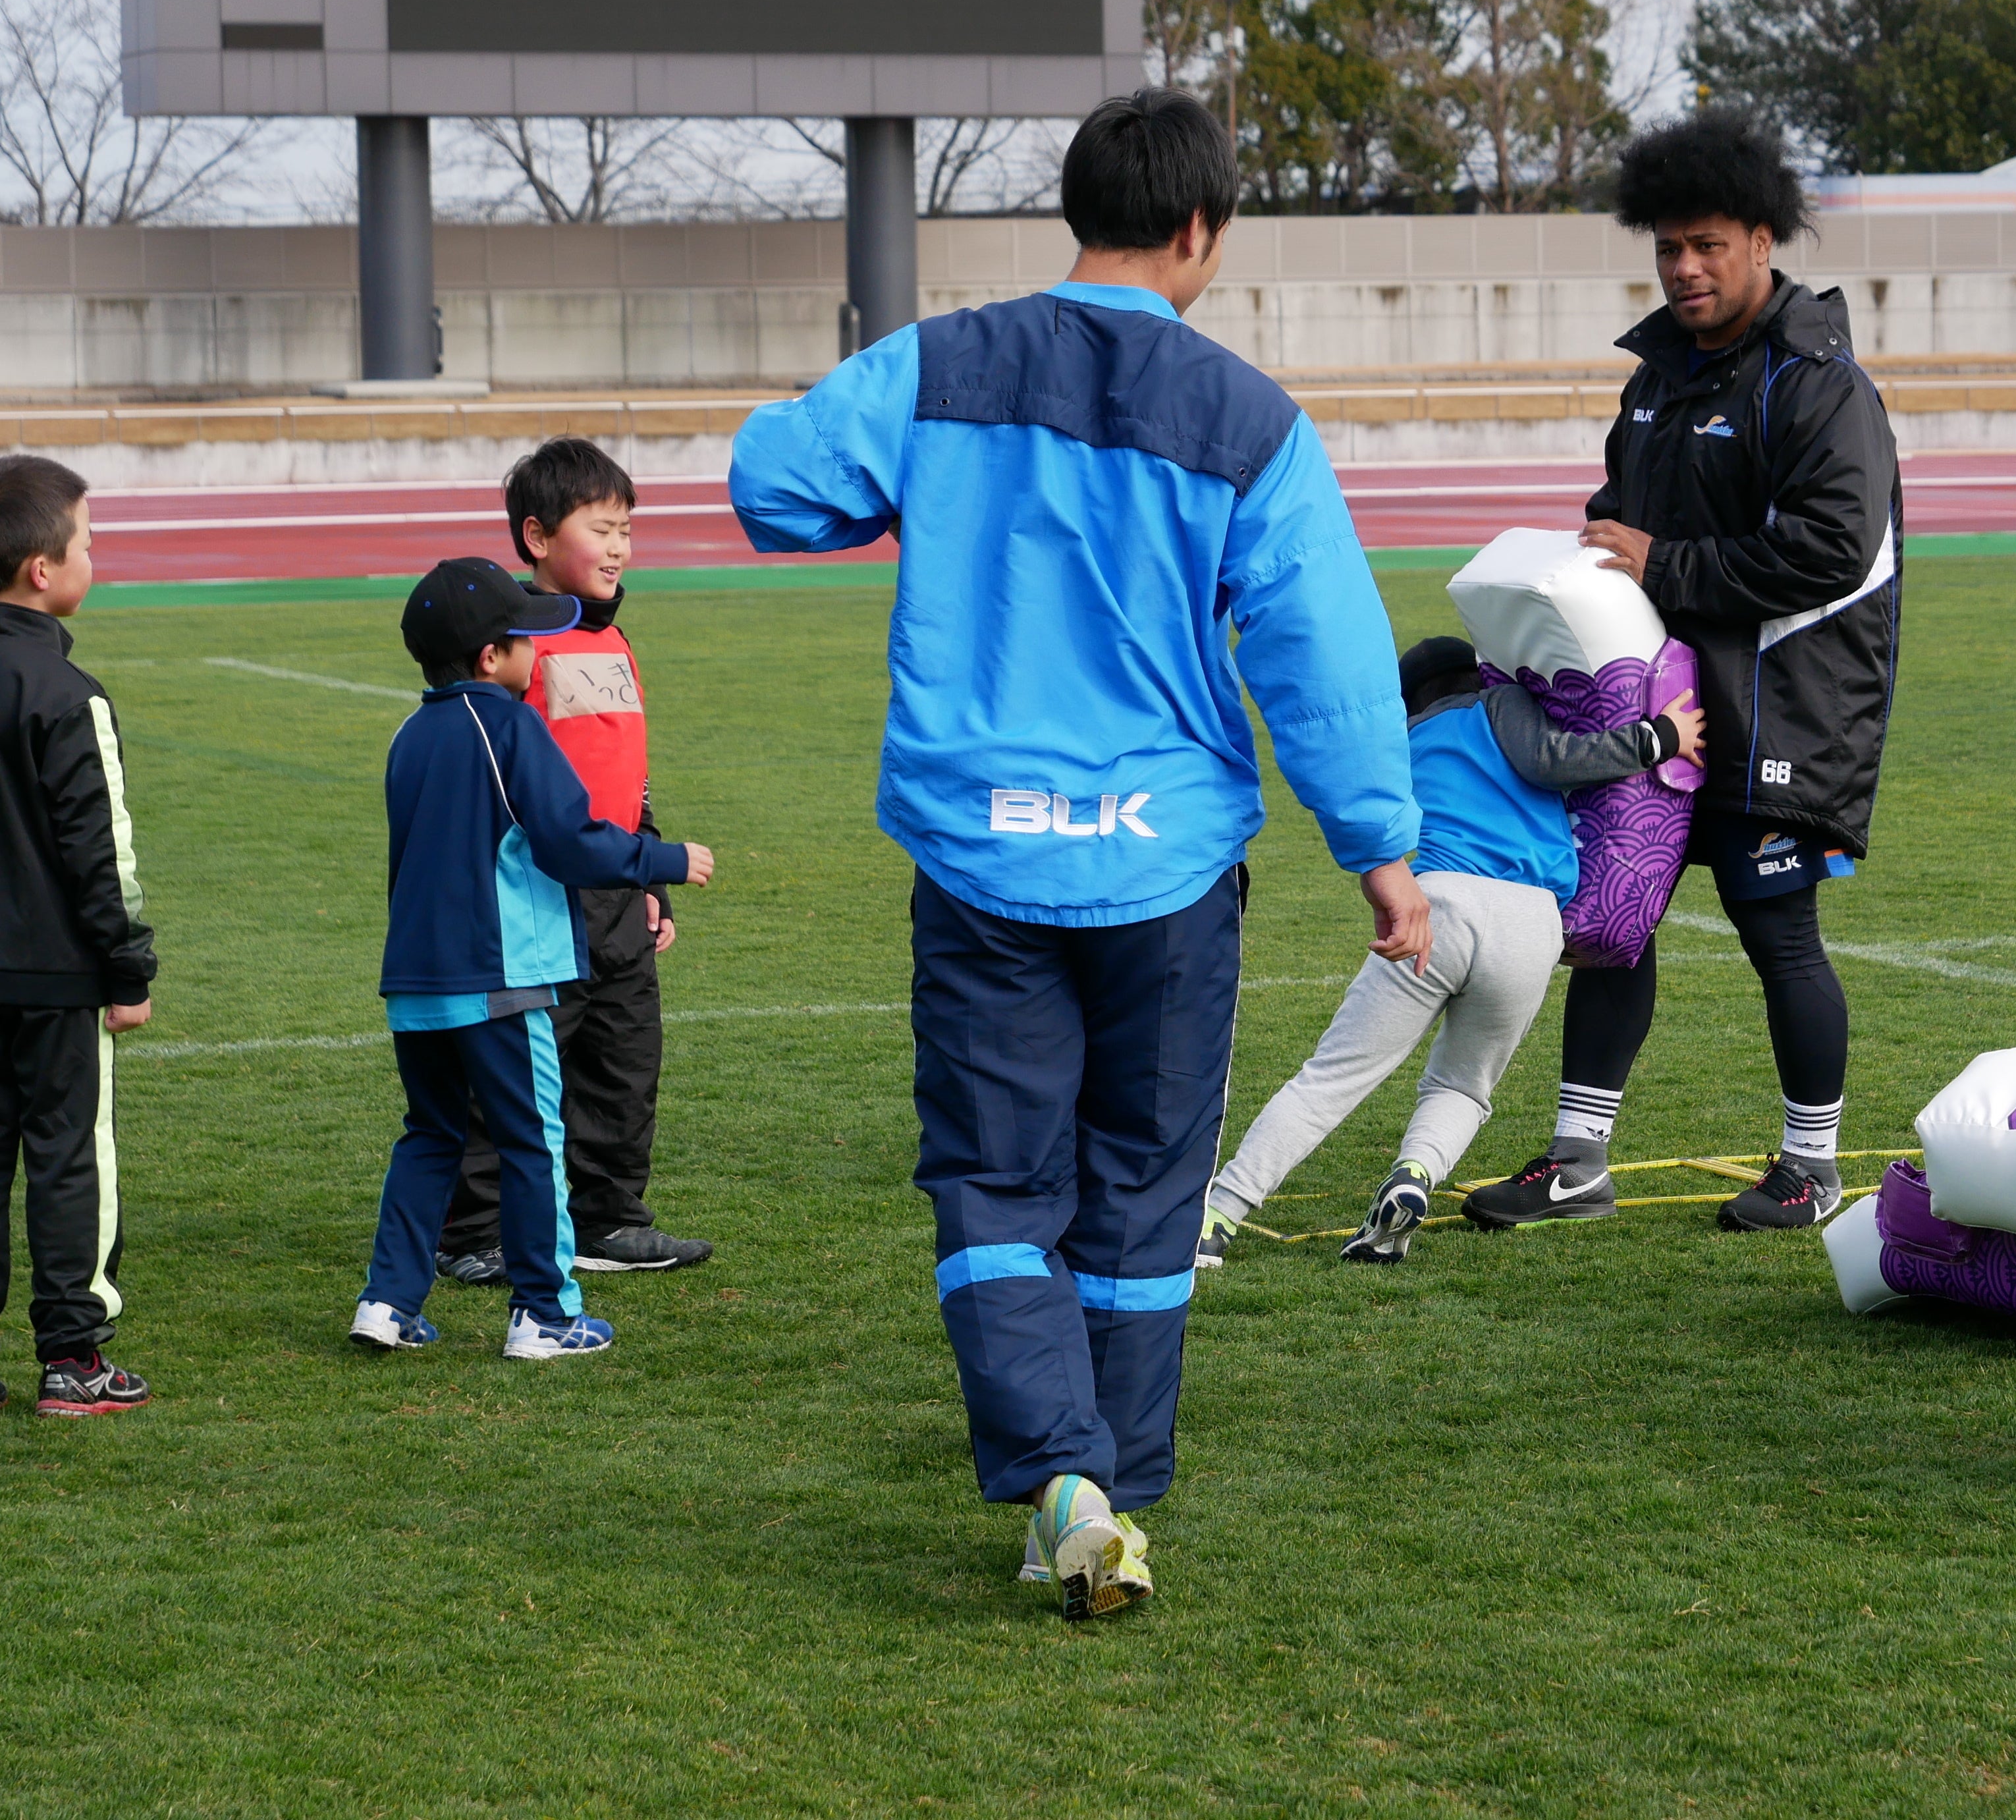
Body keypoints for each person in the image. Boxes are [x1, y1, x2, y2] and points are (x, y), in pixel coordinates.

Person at [727, 88, 1425, 1620]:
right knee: (1142, 1188)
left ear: (1080, 209)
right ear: (1201, 230)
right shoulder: (1249, 415)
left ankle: (1067, 1480)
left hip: (983, 856)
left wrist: (912, 472)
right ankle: (1102, 1482)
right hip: (1166, 867)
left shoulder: (942, 365)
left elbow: (772, 482)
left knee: (995, 1182)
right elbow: (1320, 650)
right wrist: (1381, 849)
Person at [1459, 107, 1901, 1237]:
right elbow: (1621, 520)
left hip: (1779, 710)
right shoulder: (1655, 377)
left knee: (1777, 932)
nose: (1685, 267)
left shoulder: (1817, 383)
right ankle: (1577, 1162)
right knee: (1619, 917)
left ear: (1761, 239)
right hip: (1659, 709)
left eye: (1707, 244)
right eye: (1668, 247)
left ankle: (1812, 1167)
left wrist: (1663, 561)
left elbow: (1831, 550)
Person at [1199, 634, 1704, 1266]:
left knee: (1332, 1078)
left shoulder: (1407, 737)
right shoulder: (1504, 703)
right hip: (1534, 925)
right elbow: (1559, 759)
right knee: (1463, 1088)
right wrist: (1659, 737)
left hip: (1439, 907)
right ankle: (1413, 1177)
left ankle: (1219, 1214)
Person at [352, 557, 712, 1363]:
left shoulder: (410, 735)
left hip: (416, 981)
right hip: (501, 977)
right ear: (491, 658)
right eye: (525, 639)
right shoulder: (514, 727)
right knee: (531, 1138)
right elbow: (568, 838)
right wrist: (661, 860)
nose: (536, 651)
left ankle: (387, 1300)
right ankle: (544, 1313)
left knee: (429, 1135)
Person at [0, 455, 158, 1423]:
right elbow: (101, 852)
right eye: (87, 540)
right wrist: (127, 967)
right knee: (69, 1155)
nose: (96, 555)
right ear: (43, 570)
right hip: (55, 978)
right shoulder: (67, 691)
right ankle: (74, 1358)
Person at [436, 439, 712, 1284]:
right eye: (600, 529)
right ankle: (472, 1231)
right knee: (518, 1066)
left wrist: (649, 875)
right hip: (537, 893)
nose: (619, 547)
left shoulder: (617, 639)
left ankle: (609, 1217)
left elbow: (628, 773)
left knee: (624, 1059)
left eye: (626, 529)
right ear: (536, 537)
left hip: (616, 892)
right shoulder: (512, 648)